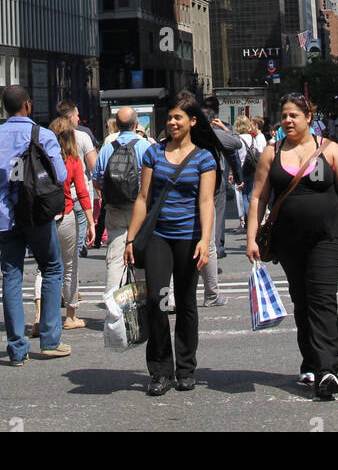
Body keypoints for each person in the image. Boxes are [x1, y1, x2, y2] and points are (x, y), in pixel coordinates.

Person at [246, 94, 338, 401]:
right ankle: (311, 359)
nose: (288, 120)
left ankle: (327, 370)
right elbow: (258, 197)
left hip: (329, 238)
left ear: (308, 118)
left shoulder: (331, 151)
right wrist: (251, 238)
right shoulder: (271, 153)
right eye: (284, 115)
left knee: (322, 298)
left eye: (294, 115)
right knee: (302, 300)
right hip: (288, 242)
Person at [124, 95, 217, 395]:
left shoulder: (204, 158)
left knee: (187, 303)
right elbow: (143, 198)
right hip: (159, 237)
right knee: (157, 301)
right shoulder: (153, 153)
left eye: (179, 118)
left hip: (189, 238)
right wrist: (130, 238)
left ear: (192, 121)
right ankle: (160, 369)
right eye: (170, 118)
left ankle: (186, 369)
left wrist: (205, 239)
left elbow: (206, 202)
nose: (173, 122)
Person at [0, 84, 71, 364]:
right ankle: (49, 339)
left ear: (4, 108)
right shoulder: (43, 135)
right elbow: (61, 172)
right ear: (28, 105)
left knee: (12, 276)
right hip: (37, 213)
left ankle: (17, 349)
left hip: (5, 215)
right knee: (52, 268)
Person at [33, 117, 95, 330]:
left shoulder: (41, 157)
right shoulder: (72, 159)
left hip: (43, 216)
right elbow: (83, 191)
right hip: (66, 213)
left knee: (43, 268)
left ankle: (39, 316)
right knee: (70, 266)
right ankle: (70, 316)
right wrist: (91, 222)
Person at [92, 105, 149, 292]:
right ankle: (142, 300)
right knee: (140, 256)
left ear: (116, 125)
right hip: (140, 210)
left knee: (115, 259)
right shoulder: (145, 147)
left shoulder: (107, 149)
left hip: (114, 209)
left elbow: (97, 182)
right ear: (137, 123)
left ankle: (113, 306)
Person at [200, 94, 244, 257]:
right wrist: (238, 177)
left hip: (197, 176)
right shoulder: (220, 130)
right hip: (217, 176)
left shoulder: (190, 132)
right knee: (218, 211)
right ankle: (217, 245)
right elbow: (235, 150)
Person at [56, 100, 97, 258]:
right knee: (74, 252)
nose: (79, 119)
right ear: (71, 116)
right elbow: (94, 167)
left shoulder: (50, 136)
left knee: (58, 250)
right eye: (77, 115)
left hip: (57, 198)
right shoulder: (82, 136)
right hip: (79, 197)